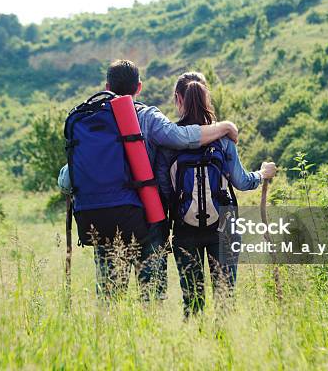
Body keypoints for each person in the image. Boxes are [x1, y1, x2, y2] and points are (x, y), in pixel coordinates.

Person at [58, 60, 240, 299]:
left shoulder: (90, 119)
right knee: (152, 298)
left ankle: (109, 334)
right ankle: (150, 331)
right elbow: (182, 137)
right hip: (146, 219)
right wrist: (224, 126)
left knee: (109, 298)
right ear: (139, 87)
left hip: (100, 222)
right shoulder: (148, 116)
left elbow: (66, 181)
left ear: (107, 86)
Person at [156, 72, 276, 317]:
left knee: (193, 301)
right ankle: (225, 348)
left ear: (178, 99)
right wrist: (262, 174)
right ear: (206, 97)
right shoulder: (223, 139)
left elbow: (164, 192)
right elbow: (241, 182)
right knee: (225, 298)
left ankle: (196, 347)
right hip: (225, 225)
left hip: (184, 228)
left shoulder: (168, 143)